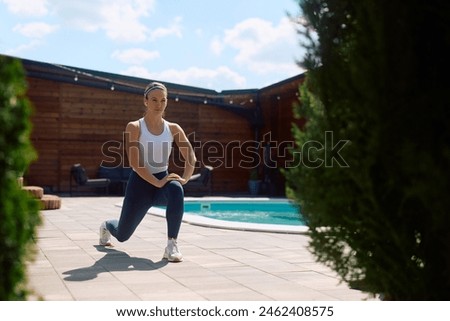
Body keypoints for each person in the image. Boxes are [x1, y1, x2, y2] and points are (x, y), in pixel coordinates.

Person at [99, 81, 196, 262]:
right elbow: (135, 163)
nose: (159, 105)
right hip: (140, 184)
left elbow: (191, 157)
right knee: (123, 235)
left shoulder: (174, 128)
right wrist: (158, 182)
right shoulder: (134, 127)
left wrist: (184, 179)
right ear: (145, 101)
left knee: (176, 189)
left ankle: (171, 245)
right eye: (154, 100)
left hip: (162, 179)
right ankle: (106, 226)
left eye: (163, 100)